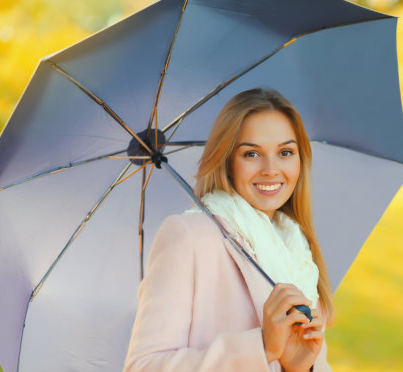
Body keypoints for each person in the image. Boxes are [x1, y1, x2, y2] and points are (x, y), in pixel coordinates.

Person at [123, 88, 334, 372]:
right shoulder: (187, 236)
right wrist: (260, 348)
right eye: (251, 154)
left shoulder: (297, 252)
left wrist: (298, 369)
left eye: (285, 152)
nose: (271, 169)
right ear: (228, 162)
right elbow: (143, 366)